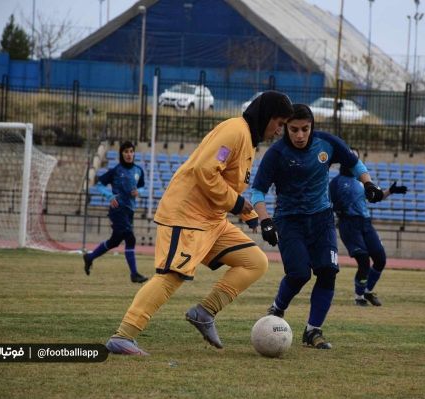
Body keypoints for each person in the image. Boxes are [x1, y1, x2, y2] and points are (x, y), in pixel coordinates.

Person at [105, 91, 294, 355]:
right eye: (280, 123)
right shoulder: (235, 131)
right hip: (186, 217)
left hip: (211, 221)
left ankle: (204, 312)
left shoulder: (249, 141)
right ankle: (123, 336)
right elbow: (205, 171)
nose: (279, 131)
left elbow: (228, 185)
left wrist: (254, 219)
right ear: (266, 117)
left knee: (255, 262)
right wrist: (238, 205)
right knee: (171, 276)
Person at [251, 104, 384, 350]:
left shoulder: (327, 143)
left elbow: (354, 163)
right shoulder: (276, 153)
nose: (300, 135)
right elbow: (258, 190)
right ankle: (277, 308)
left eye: (305, 129)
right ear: (286, 129)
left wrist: (369, 184)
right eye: (294, 129)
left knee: (327, 271)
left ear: (312, 126)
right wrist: (266, 221)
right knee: (299, 274)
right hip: (289, 221)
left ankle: (313, 331)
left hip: (322, 219)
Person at [329, 149, 407, 307]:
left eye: (355, 157)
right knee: (364, 261)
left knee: (380, 260)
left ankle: (367, 291)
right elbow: (328, 204)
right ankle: (359, 296)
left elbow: (374, 199)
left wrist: (389, 192)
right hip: (348, 224)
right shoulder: (335, 183)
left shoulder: (362, 181)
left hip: (365, 223)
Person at [83, 140, 149, 284]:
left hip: (129, 211)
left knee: (114, 242)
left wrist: (140, 191)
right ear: (121, 154)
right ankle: (134, 274)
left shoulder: (138, 170)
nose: (129, 154)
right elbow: (99, 184)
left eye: (131, 151)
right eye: (126, 151)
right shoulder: (116, 170)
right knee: (130, 239)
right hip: (117, 209)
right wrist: (109, 196)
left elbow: (143, 186)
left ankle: (90, 257)